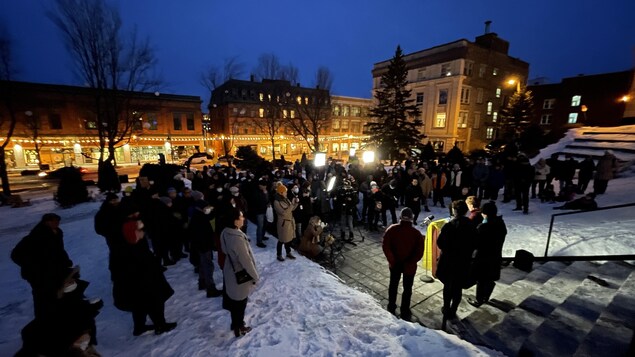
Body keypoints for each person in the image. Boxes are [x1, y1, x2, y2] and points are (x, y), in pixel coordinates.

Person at [120, 206, 177, 336]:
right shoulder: (133, 251)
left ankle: (139, 327)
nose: (143, 233)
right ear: (133, 233)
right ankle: (160, 325)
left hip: (142, 284)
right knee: (154, 303)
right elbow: (139, 269)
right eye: (139, 231)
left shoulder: (133, 246)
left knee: (140, 306)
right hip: (146, 283)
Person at [12, 213, 75, 319]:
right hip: (38, 275)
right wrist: (34, 267)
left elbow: (59, 251)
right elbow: (16, 255)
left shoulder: (57, 233)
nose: (57, 224)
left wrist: (66, 261)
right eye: (55, 221)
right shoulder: (36, 236)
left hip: (52, 271)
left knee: (55, 295)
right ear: (47, 222)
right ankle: (42, 321)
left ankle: (55, 317)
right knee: (41, 298)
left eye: (58, 221)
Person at [220, 208, 259, 338]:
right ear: (235, 220)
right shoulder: (237, 239)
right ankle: (239, 327)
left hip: (229, 270)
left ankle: (235, 324)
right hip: (239, 273)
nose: (243, 218)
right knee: (240, 303)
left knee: (234, 301)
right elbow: (246, 261)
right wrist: (255, 276)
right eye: (241, 217)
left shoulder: (226, 232)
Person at [436, 200, 477, 321]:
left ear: (454, 211)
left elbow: (440, 242)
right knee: (457, 287)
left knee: (448, 286)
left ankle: (446, 307)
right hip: (463, 261)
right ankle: (453, 310)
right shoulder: (471, 226)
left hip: (448, 261)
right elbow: (475, 243)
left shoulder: (449, 226)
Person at [382, 208, 425, 321]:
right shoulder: (416, 234)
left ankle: (391, 305)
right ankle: (405, 309)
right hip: (409, 267)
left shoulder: (392, 229)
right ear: (411, 218)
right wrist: (410, 262)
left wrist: (392, 260)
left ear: (400, 217)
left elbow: (386, 246)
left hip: (395, 264)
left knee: (393, 285)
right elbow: (419, 252)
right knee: (407, 288)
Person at [467, 201, 507, 307]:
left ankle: (479, 300)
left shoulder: (483, 227)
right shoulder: (500, 223)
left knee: (481, 278)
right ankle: (486, 297)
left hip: (483, 256)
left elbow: (475, 243)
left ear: (485, 213)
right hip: (496, 255)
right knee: (489, 278)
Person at [273, 184, 299, 261]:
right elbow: (284, 213)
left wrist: (295, 203)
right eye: (285, 192)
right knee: (281, 239)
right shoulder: (276, 202)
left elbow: (292, 209)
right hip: (283, 224)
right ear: (281, 192)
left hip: (289, 222)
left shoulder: (286, 199)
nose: (286, 193)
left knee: (289, 239)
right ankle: (279, 254)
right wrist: (291, 205)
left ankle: (288, 252)